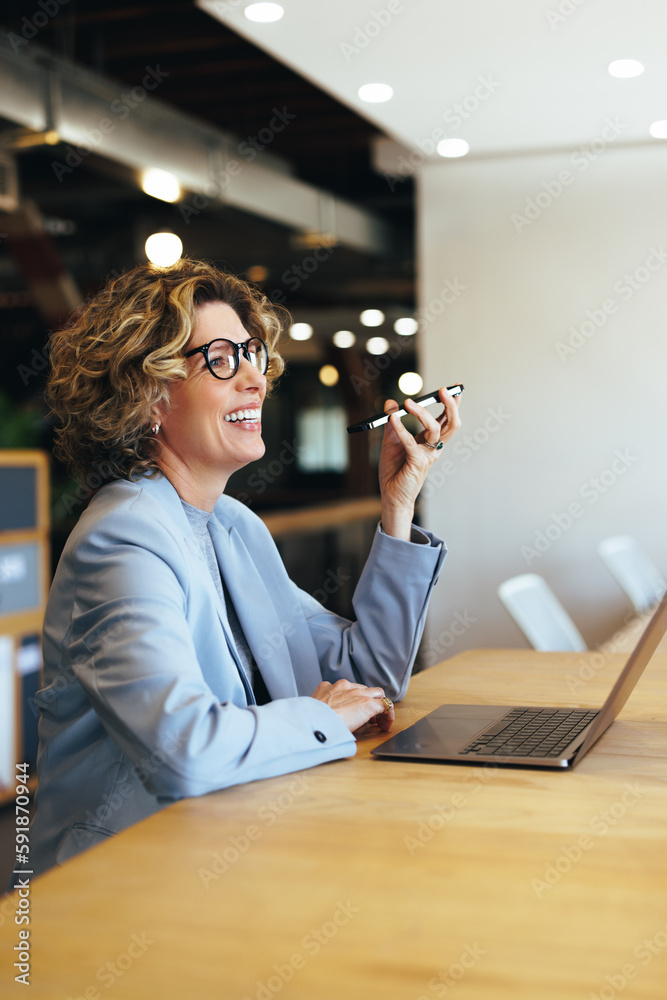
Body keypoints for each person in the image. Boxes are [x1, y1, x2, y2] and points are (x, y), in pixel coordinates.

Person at [29, 258, 461, 876]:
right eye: (224, 359)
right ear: (149, 395)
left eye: (253, 354)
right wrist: (321, 714)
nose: (255, 380)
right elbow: (186, 750)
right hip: (126, 884)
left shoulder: (233, 526)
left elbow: (369, 676)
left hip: (233, 847)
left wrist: (397, 504)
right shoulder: (122, 540)